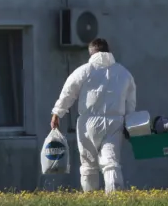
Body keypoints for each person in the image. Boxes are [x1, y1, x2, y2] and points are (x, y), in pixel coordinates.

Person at [50, 38, 137, 194]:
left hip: (87, 123)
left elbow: (68, 92)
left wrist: (57, 112)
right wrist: (129, 123)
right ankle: (115, 198)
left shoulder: (84, 71)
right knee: (111, 162)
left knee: (88, 164)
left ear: (91, 53)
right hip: (114, 122)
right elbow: (131, 101)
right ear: (109, 51)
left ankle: (90, 197)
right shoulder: (124, 73)